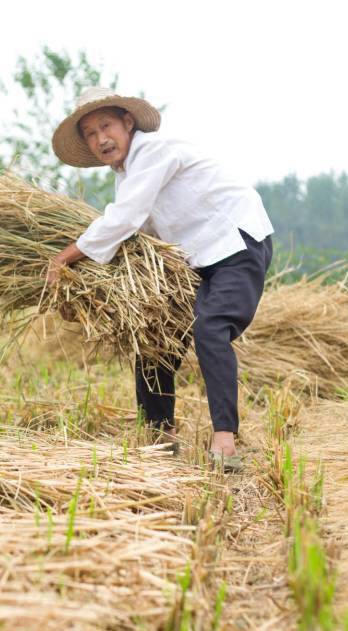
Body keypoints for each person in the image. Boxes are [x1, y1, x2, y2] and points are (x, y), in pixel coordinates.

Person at [48, 87, 274, 470]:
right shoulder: (128, 175)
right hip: (194, 259)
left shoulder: (154, 151)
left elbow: (124, 219)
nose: (101, 138)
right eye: (90, 133)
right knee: (155, 334)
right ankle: (159, 436)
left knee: (210, 328)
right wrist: (87, 290)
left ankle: (225, 442)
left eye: (106, 126)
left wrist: (64, 258)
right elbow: (138, 237)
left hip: (235, 241)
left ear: (128, 123)